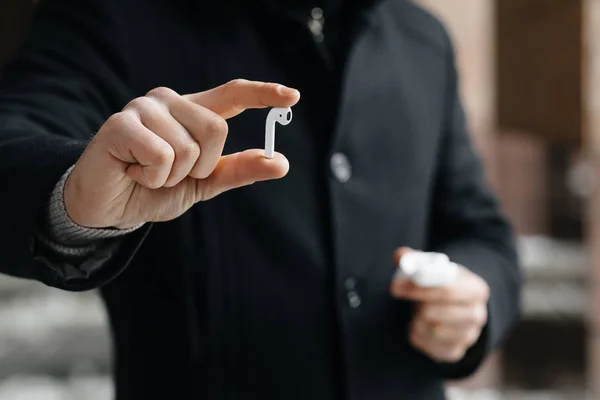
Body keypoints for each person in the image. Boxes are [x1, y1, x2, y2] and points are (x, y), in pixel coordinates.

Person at [0, 0, 522, 398]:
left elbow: (482, 232)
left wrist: (473, 299)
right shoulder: (115, 16)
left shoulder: (422, 40)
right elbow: (12, 143)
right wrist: (74, 198)